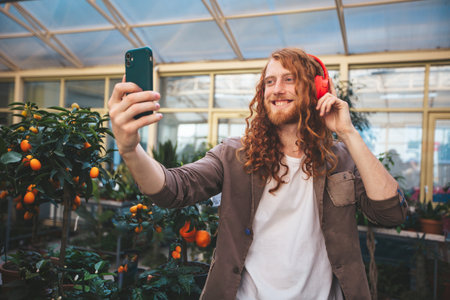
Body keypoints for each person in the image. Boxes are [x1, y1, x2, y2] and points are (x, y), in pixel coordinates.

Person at [108, 48, 407, 300]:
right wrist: (131, 150)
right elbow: (174, 189)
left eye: (289, 80)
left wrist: (348, 133)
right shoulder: (235, 155)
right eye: (270, 82)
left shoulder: (341, 158)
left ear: (316, 90)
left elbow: (391, 212)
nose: (277, 89)